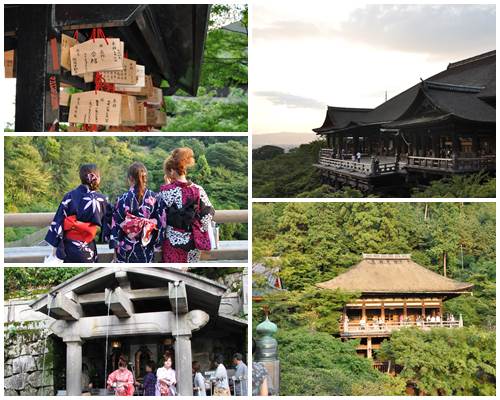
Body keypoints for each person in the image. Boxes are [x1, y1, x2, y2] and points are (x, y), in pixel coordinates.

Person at [158, 148, 215, 263]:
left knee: (172, 274)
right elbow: (208, 214)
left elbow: (159, 216)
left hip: (172, 241)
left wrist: (167, 186)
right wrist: (196, 227)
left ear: (172, 171)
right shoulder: (198, 190)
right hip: (192, 241)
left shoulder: (165, 191)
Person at [45, 163, 111, 263]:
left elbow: (58, 223)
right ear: (96, 178)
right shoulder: (102, 200)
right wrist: (105, 237)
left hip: (69, 249)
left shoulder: (69, 196)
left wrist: (55, 249)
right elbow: (109, 224)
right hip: (87, 248)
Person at [109, 162, 164, 263]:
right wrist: (156, 243)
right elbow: (161, 225)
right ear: (145, 177)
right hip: (146, 247)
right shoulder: (155, 198)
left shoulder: (122, 199)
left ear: (130, 178)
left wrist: (115, 251)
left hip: (126, 249)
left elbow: (115, 227)